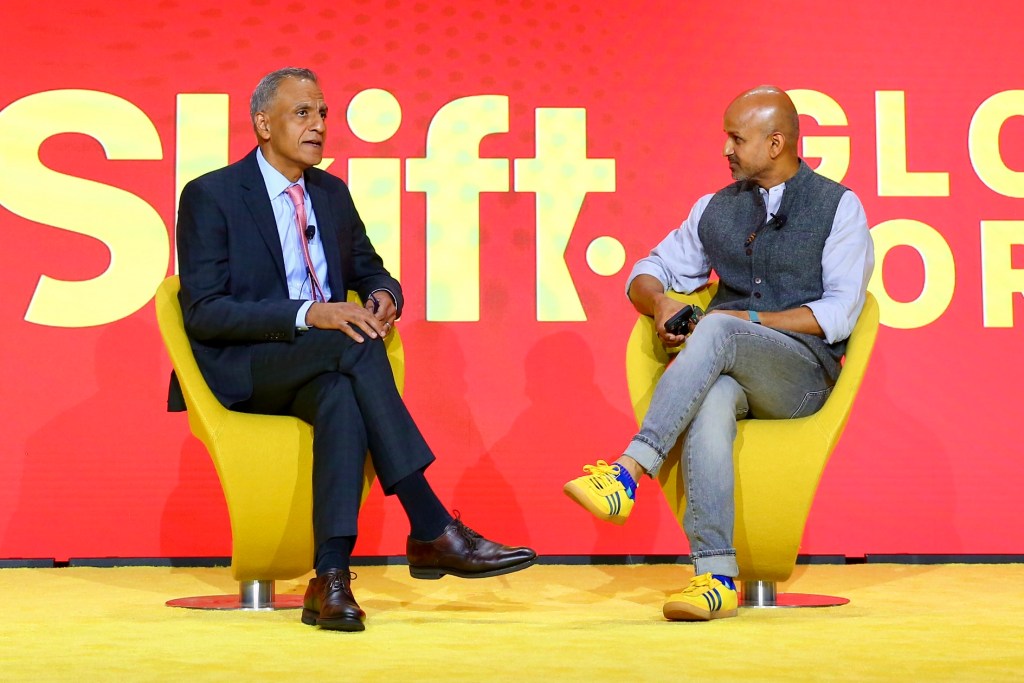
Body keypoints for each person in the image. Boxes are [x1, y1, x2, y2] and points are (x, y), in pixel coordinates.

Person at [171, 67, 536, 632]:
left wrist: (383, 296)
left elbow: (370, 269)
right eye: (302, 114)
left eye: (322, 113)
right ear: (262, 124)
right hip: (246, 364)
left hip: (321, 364)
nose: (318, 126)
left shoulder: (331, 193)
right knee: (354, 347)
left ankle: (332, 580)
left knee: (343, 390)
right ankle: (431, 523)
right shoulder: (211, 195)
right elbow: (205, 312)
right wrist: (309, 313)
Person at [563, 85, 873, 621]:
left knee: (717, 330)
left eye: (736, 138)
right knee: (714, 394)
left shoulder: (838, 207)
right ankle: (715, 576)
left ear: (776, 143)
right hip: (736, 367)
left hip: (802, 377)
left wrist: (741, 320)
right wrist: (659, 301)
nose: (725, 150)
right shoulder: (714, 208)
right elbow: (647, 271)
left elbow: (840, 314)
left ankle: (628, 472)